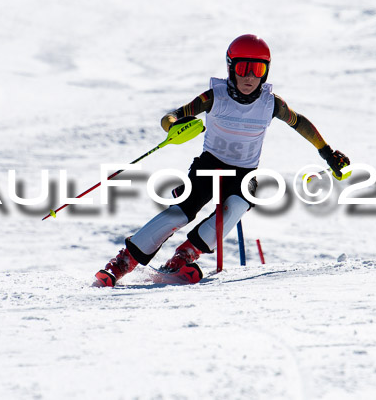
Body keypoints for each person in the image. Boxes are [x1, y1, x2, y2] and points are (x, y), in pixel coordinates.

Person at [94, 34, 350, 287]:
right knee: (179, 214)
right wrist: (175, 125)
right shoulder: (215, 97)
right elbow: (170, 116)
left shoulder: (271, 104)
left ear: (266, 72)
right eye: (243, 68)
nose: (250, 77)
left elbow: (299, 122)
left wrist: (326, 152)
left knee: (236, 207)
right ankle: (121, 263)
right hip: (209, 164)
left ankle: (184, 256)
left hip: (245, 173)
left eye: (257, 69)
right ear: (231, 68)